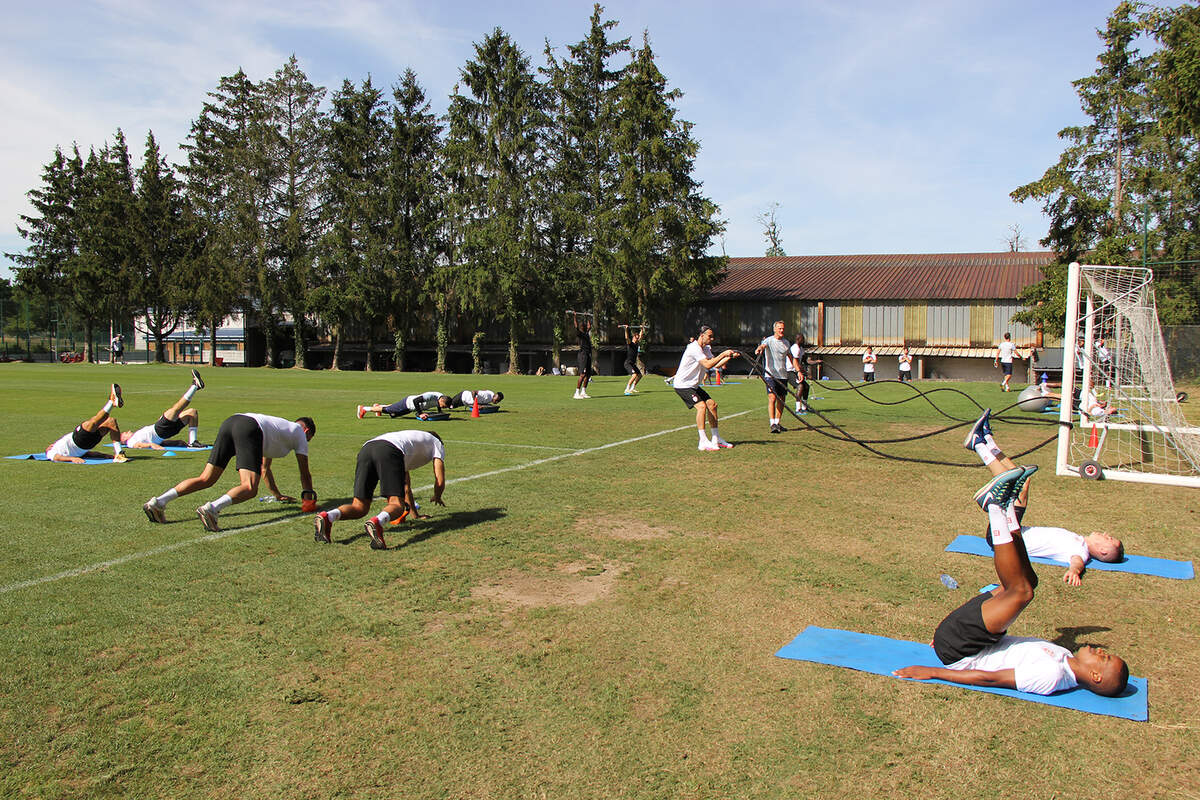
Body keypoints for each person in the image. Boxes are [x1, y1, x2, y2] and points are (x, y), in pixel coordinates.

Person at [893, 464, 1129, 697]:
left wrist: (933, 672)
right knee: (1028, 583)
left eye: (1104, 658)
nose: (1100, 651)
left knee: (1022, 592)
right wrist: (953, 627)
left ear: (1096, 676)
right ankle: (1007, 509)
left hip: (960, 650)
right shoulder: (1063, 657)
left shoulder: (1052, 676)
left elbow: (990, 678)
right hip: (970, 638)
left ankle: (995, 507)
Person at [964, 409, 1123, 585]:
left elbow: (1077, 562)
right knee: (1023, 482)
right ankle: (987, 441)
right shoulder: (1078, 540)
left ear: (1103, 551)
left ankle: (979, 445)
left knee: (1016, 490)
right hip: (1012, 531)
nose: (1106, 534)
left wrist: (1074, 571)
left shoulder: (1081, 551)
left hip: (1005, 538)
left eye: (1109, 539)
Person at [142, 413, 316, 532]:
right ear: (306, 431)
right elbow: (304, 472)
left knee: (206, 478)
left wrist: (277, 495)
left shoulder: (279, 430)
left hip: (231, 422)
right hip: (249, 428)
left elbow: (264, 468)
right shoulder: (298, 434)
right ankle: (212, 509)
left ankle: (158, 502)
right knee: (249, 488)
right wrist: (308, 503)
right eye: (309, 439)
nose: (306, 443)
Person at [313, 430, 447, 550]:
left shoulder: (411, 442)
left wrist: (415, 515)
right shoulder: (436, 443)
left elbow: (406, 487)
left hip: (367, 448)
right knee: (396, 505)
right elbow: (439, 478)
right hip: (389, 451)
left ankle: (327, 516)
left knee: (359, 506)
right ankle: (377, 522)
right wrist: (437, 495)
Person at [674, 325, 741, 450]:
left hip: (693, 385)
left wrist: (729, 357)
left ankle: (716, 439)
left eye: (712, 336)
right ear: (702, 335)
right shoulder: (694, 348)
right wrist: (723, 354)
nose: (712, 338)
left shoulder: (706, 348)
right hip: (683, 385)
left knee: (712, 405)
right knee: (701, 407)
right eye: (709, 336)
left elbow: (714, 364)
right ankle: (703, 441)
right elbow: (708, 364)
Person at [121, 369, 206, 449]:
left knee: (192, 413)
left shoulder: (136, 436)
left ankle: (193, 442)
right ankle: (195, 386)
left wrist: (175, 443)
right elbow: (138, 445)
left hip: (163, 431)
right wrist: (152, 445)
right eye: (125, 433)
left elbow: (159, 442)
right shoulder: (130, 442)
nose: (128, 431)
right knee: (176, 409)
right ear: (124, 440)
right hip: (159, 429)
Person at [45, 384, 127, 463]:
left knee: (111, 422)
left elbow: (89, 454)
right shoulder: (51, 453)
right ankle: (111, 402)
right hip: (77, 440)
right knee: (92, 422)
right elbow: (56, 458)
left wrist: (102, 455)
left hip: (86, 444)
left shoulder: (57, 448)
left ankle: (119, 453)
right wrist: (72, 459)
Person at [755, 320, 799, 434]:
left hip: (783, 375)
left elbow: (791, 358)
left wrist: (798, 371)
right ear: (775, 329)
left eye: (783, 328)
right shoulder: (769, 340)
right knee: (772, 398)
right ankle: (772, 424)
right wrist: (759, 349)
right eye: (779, 328)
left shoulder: (786, 342)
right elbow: (762, 346)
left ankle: (778, 422)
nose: (781, 330)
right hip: (770, 375)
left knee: (781, 400)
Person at [357, 392, 453, 420]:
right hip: (409, 403)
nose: (443, 407)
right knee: (389, 410)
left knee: (394, 415)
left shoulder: (441, 398)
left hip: (410, 407)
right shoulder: (431, 396)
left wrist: (440, 412)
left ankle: (378, 407)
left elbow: (438, 405)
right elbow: (416, 401)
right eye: (443, 406)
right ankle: (364, 409)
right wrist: (420, 414)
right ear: (441, 400)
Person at [572, 311, 593, 399]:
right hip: (582, 355)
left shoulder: (586, 334)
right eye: (582, 326)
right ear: (581, 328)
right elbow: (576, 326)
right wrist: (575, 316)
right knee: (582, 375)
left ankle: (583, 392)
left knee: (588, 375)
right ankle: (576, 393)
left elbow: (589, 326)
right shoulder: (580, 334)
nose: (584, 326)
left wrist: (587, 316)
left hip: (588, 355)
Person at [623, 327, 644, 396]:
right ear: (633, 338)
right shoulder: (630, 344)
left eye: (637, 338)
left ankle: (632, 388)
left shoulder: (636, 344)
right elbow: (626, 338)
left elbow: (641, 337)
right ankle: (627, 388)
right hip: (628, 363)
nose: (637, 339)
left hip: (632, 363)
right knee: (635, 374)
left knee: (640, 375)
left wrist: (642, 329)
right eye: (636, 338)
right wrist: (626, 329)